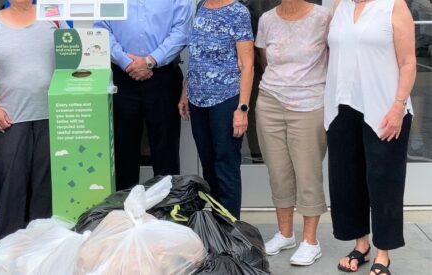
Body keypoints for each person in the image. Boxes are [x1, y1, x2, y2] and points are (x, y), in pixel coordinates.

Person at [326, 0, 416, 274]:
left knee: (384, 182)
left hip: (384, 108)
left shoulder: (393, 6)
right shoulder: (339, 6)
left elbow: (409, 62)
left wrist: (399, 106)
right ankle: (361, 245)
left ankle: (383, 254)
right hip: (342, 106)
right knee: (347, 181)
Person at [253, 0, 331, 267]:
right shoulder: (267, 20)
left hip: (309, 104)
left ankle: (311, 241)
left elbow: (333, 60)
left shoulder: (323, 17)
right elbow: (266, 61)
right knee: (278, 171)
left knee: (308, 173)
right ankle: (285, 234)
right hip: (270, 102)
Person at [0, 0, 56, 243]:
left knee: (45, 187)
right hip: (9, 118)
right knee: (12, 185)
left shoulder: (54, 17)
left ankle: (43, 247)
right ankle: (7, 249)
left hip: (52, 115)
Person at [94, 0, 192, 191]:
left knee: (166, 149)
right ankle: (126, 212)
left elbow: (182, 31)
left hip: (162, 77)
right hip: (122, 76)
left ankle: (166, 209)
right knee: (123, 149)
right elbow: (101, 29)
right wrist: (125, 61)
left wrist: (151, 60)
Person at [178, 0, 254, 219]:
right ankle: (216, 224)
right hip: (198, 100)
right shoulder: (201, 6)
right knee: (209, 165)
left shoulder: (237, 12)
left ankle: (230, 232)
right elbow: (196, 57)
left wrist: (243, 108)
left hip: (226, 99)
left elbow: (247, 65)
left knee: (226, 167)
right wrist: (186, 90)